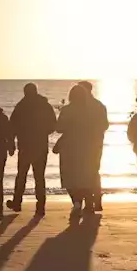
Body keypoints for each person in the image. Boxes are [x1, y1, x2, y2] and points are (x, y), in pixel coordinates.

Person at [7, 83, 57, 214]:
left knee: (22, 175)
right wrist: (43, 132)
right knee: (39, 176)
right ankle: (40, 206)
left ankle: (17, 203)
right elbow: (53, 125)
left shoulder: (21, 106)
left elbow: (12, 126)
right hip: (40, 145)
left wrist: (11, 143)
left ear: (25, 92)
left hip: (25, 146)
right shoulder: (45, 105)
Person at [55, 85, 97, 216]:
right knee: (84, 175)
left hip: (69, 146)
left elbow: (59, 128)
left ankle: (76, 202)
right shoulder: (90, 111)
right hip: (87, 147)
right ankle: (86, 201)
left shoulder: (67, 110)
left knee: (69, 176)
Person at [77, 81, 110, 212]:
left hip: (84, 144)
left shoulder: (80, 106)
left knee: (83, 172)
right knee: (93, 172)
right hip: (96, 143)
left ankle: (89, 200)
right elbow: (105, 125)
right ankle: (95, 199)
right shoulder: (99, 105)